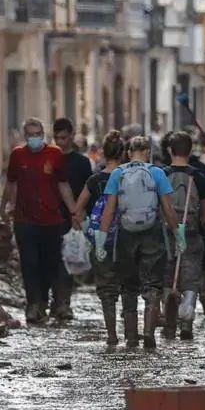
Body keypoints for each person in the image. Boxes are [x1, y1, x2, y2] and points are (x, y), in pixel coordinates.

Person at [96, 135, 181, 350]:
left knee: (128, 285)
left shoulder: (118, 174)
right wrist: (178, 234)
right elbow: (168, 209)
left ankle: (131, 337)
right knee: (152, 284)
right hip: (152, 232)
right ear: (149, 152)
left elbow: (110, 209)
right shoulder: (157, 173)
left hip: (126, 233)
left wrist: (101, 239)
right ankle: (149, 331)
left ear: (128, 153)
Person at [0, 118, 78, 325]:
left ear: (43, 134)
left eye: (38, 134)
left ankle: (57, 303)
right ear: (25, 136)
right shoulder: (18, 155)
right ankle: (34, 305)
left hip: (52, 220)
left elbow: (63, 185)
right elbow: (11, 183)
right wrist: (3, 206)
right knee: (29, 264)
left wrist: (74, 211)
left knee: (52, 264)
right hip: (25, 220)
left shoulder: (55, 155)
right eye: (30, 134)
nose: (34, 138)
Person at [75, 130, 125, 345]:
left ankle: (112, 334)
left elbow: (78, 210)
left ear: (103, 153)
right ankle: (132, 334)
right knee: (129, 287)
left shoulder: (94, 180)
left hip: (100, 241)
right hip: (127, 238)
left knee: (106, 289)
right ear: (123, 153)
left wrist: (88, 230)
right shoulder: (127, 177)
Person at [161, 131, 205, 340]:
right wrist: (201, 223)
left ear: (169, 151)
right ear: (190, 151)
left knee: (167, 277)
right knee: (190, 277)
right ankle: (187, 321)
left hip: (166, 233)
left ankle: (169, 323)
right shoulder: (198, 175)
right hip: (191, 231)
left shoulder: (161, 174)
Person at [51, 117, 93, 320]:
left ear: (72, 136)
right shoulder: (49, 159)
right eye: (57, 138)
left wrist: (82, 212)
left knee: (66, 261)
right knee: (50, 261)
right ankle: (53, 301)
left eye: (64, 138)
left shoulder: (82, 162)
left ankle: (63, 303)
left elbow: (89, 189)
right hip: (49, 216)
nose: (60, 142)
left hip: (71, 217)